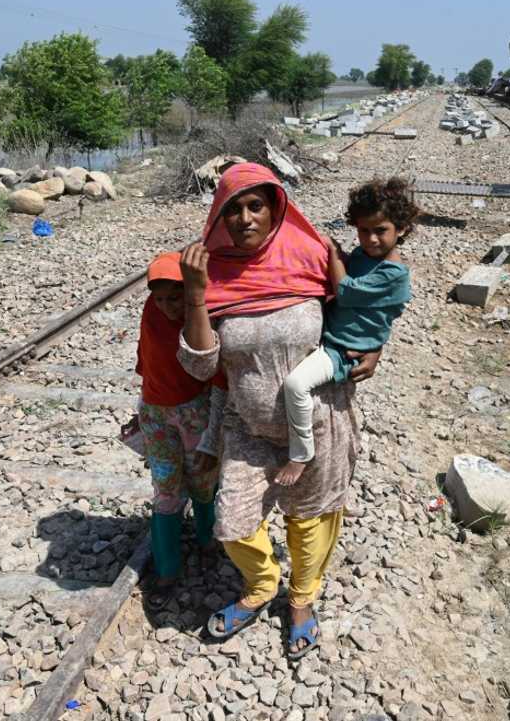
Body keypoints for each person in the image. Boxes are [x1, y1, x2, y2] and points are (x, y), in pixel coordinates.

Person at [177, 163, 379, 661]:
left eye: (256, 206)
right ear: (218, 216)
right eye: (233, 209)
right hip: (247, 425)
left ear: (276, 209)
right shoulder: (211, 273)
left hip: (317, 419)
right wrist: (197, 295)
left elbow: (358, 314)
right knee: (236, 522)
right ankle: (263, 584)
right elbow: (201, 366)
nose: (245, 218)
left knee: (309, 518)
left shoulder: (310, 256)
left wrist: (375, 349)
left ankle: (302, 598)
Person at [277, 178, 414, 486]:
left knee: (295, 385)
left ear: (401, 229)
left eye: (381, 231)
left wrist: (335, 253)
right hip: (335, 335)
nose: (371, 239)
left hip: (343, 349)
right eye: (364, 230)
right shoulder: (367, 256)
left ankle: (301, 452)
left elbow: (345, 292)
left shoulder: (394, 273)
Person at [134, 252, 223, 609]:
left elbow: (218, 379)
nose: (168, 307)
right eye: (161, 299)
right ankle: (168, 567)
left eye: (176, 298)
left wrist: (213, 438)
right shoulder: (151, 314)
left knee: (203, 480)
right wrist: (139, 410)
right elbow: (146, 363)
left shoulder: (204, 319)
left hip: (195, 413)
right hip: (156, 414)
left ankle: (208, 539)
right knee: (165, 488)